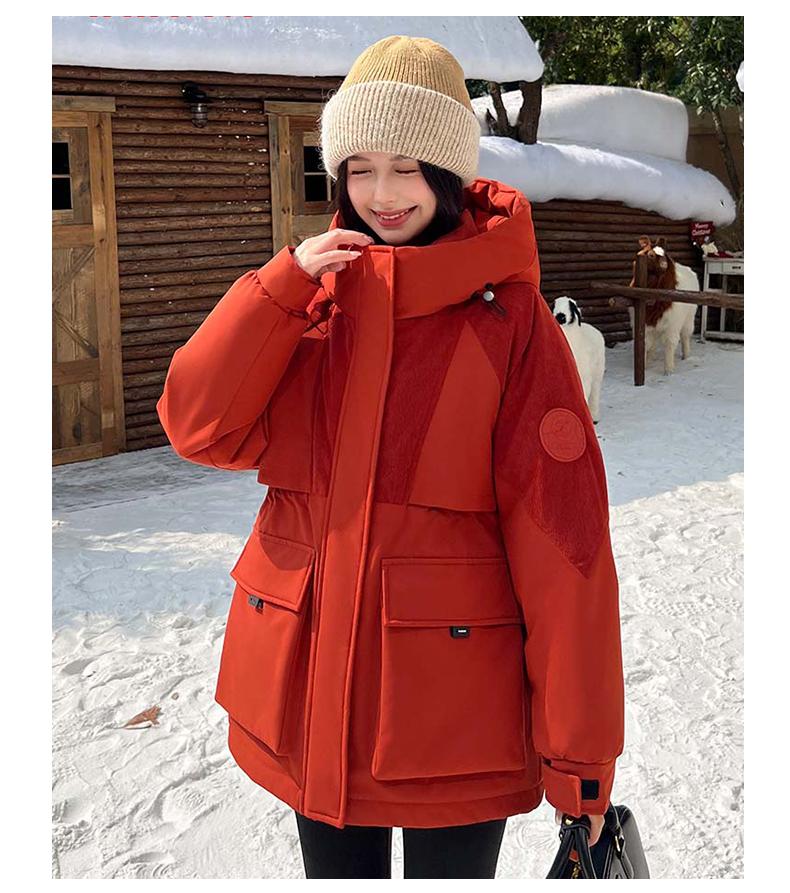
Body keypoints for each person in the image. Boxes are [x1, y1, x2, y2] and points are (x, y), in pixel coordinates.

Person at [157, 35, 624, 880]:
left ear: (447, 172)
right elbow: (197, 425)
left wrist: (581, 759)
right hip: (309, 710)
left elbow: (567, 550)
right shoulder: (312, 303)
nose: (381, 194)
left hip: (453, 726)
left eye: (407, 168)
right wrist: (278, 289)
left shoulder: (510, 324)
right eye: (360, 169)